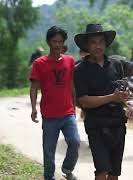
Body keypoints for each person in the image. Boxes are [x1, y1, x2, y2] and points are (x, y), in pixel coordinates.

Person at [73, 24, 129, 180]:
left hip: (118, 123)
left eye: (101, 42)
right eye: (93, 42)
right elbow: (84, 101)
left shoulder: (116, 64)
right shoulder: (80, 70)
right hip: (96, 126)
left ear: (106, 44)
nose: (98, 46)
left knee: (114, 173)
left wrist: (128, 103)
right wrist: (112, 97)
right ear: (87, 45)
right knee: (102, 170)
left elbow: (122, 92)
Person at [29, 26, 80, 180]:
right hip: (49, 115)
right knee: (49, 151)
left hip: (67, 113)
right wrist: (33, 109)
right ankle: (49, 177)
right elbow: (34, 88)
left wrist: (75, 104)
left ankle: (67, 168)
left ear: (63, 43)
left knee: (75, 142)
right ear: (49, 42)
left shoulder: (69, 61)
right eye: (54, 41)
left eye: (60, 41)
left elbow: (71, 84)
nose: (57, 44)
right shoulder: (39, 63)